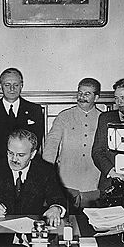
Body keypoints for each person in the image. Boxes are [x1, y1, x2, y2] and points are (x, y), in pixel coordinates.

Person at [0, 129, 66, 227]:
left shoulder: (44, 170)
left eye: (20, 155)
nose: (14, 159)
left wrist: (56, 208)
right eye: (10, 153)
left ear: (32, 154)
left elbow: (59, 199)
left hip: (32, 231)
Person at [43, 78, 102, 210]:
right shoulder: (64, 116)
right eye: (80, 93)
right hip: (67, 182)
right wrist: (46, 172)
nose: (82, 97)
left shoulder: (103, 119)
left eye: (87, 94)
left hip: (94, 183)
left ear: (96, 97)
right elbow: (52, 144)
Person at [0, 68, 44, 159]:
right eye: (7, 85)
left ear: (21, 86)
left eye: (16, 85)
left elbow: (36, 141)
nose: (12, 89)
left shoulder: (35, 110)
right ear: (0, 86)